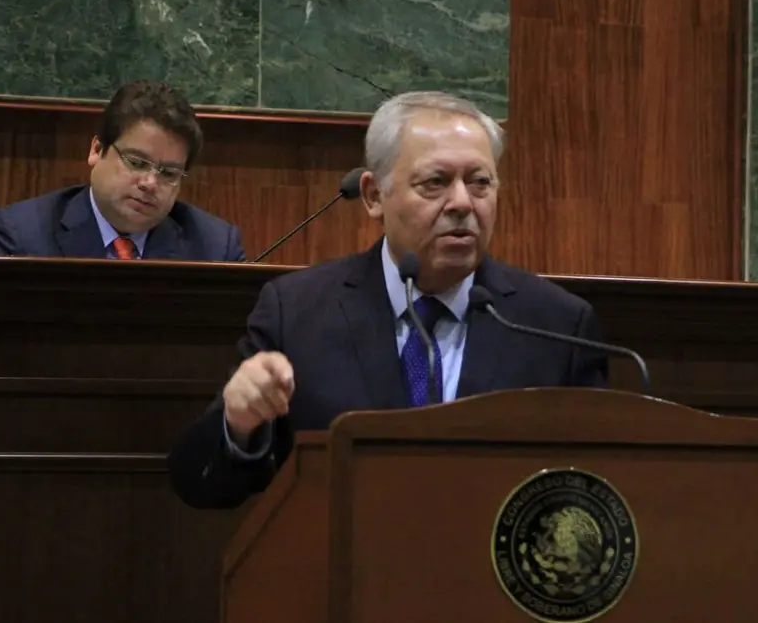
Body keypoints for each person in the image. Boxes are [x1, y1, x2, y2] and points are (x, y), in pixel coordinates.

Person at [167, 90, 609, 509]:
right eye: (435, 182)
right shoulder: (296, 313)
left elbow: (597, 492)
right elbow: (200, 485)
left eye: (480, 182)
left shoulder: (556, 326)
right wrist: (238, 423)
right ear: (374, 196)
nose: (462, 203)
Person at [0, 79, 246, 262]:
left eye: (168, 173)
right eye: (136, 163)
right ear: (97, 150)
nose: (150, 183)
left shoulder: (215, 248)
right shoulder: (20, 237)